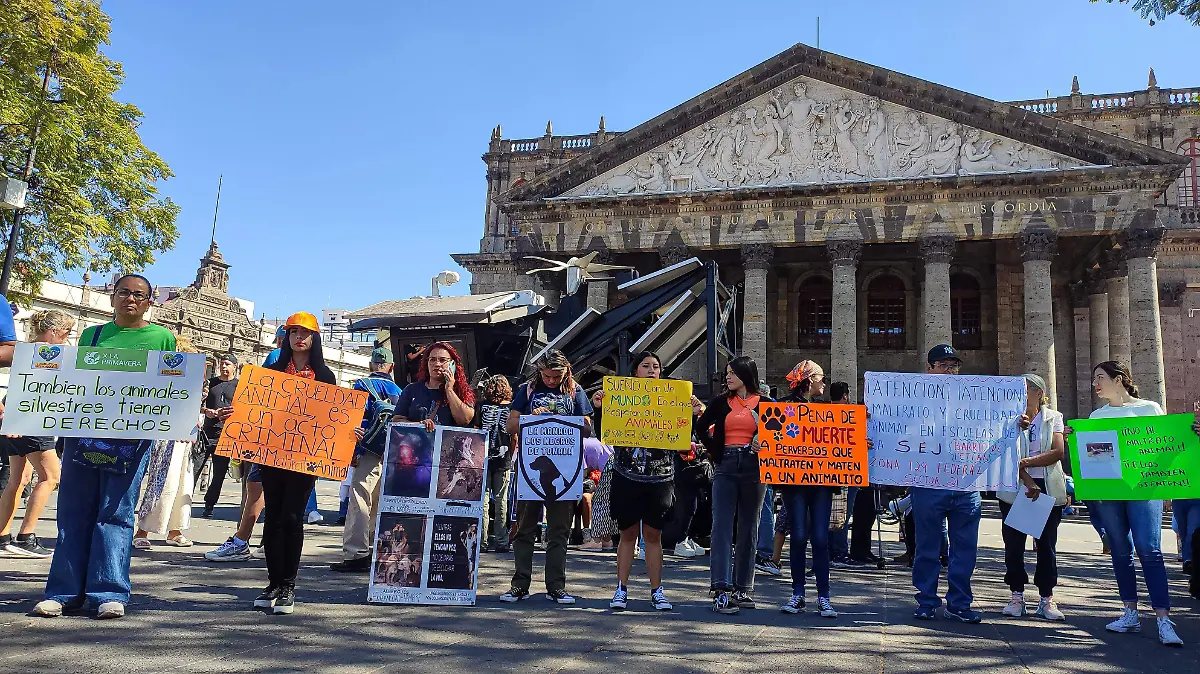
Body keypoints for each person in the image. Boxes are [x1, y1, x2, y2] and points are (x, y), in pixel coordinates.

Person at [32, 274, 177, 619]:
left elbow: (170, 387)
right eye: (124, 292)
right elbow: (76, 382)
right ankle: (63, 592)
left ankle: (109, 592)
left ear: (149, 302)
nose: (131, 299)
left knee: (115, 512)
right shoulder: (92, 335)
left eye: (139, 294)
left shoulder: (162, 338)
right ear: (113, 297)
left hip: (131, 439)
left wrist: (177, 419)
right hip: (84, 432)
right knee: (73, 511)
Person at [1074, 360, 1185, 646]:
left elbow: (1166, 446)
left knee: (1150, 549)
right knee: (1121, 550)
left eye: (1100, 377)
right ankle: (1130, 613)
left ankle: (1163, 619)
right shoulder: (1097, 416)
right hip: (1110, 492)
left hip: (1144, 488)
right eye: (1094, 379)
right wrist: (1077, 442)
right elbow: (1095, 456)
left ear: (1119, 379)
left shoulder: (1149, 409)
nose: (1095, 384)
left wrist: (1191, 433)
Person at [251, 312, 337, 615]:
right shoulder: (271, 373)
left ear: (315, 338)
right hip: (272, 455)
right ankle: (273, 583)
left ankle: (288, 584)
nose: (299, 337)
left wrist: (347, 433)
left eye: (305, 332)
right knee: (272, 517)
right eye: (293, 332)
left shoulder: (326, 377)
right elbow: (254, 409)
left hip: (305, 459)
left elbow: (333, 419)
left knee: (292, 517)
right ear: (286, 337)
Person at [501, 349, 593, 605]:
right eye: (547, 376)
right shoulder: (527, 390)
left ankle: (556, 586)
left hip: (565, 468)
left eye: (557, 376)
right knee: (525, 529)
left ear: (566, 372)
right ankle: (520, 585)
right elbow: (510, 425)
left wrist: (565, 420)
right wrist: (531, 419)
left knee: (559, 530)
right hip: (531, 469)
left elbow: (587, 428)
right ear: (539, 371)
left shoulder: (575, 391)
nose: (552, 381)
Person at [910, 344, 983, 623]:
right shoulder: (913, 399)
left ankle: (959, 603)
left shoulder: (972, 399)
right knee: (927, 547)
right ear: (929, 369)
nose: (950, 371)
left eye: (954, 366)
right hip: (928, 483)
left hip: (966, 484)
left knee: (965, 549)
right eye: (943, 366)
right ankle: (926, 600)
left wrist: (1015, 424)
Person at [695, 355, 770, 615]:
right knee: (722, 526)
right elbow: (701, 427)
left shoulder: (766, 403)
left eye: (732, 373)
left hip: (755, 465)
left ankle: (743, 588)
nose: (727, 377)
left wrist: (763, 440)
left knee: (749, 526)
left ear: (746, 374)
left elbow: (782, 431)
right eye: (726, 373)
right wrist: (715, 451)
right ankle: (720, 588)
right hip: (726, 464)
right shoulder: (720, 402)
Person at [0, 310, 74, 558]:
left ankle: (3, 536)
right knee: (51, 476)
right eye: (66, 332)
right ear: (54, 331)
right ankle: (26, 536)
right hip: (31, 415)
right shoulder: (48, 354)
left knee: (18, 479)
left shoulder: (24, 350)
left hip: (17, 413)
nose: (67, 338)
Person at [608, 352, 676, 612]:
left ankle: (657, 591)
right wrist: (602, 407)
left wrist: (693, 412)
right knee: (627, 534)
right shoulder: (622, 397)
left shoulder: (673, 398)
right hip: (627, 475)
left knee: (653, 535)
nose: (651, 370)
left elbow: (683, 434)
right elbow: (608, 432)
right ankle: (621, 589)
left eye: (655, 367)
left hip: (660, 478)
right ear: (635, 371)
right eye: (645, 366)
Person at [997, 374, 1067, 621]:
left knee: (1046, 545)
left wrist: (1025, 463)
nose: (1021, 394)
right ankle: (1016, 595)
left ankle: (1046, 597)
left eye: (1025, 390)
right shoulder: (1008, 419)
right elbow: (1004, 453)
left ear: (1039, 393)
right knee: (1014, 545)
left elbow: (1057, 452)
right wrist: (1025, 478)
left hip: (1046, 486)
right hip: (1015, 488)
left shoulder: (1053, 417)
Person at [203, 347, 279, 563]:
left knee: (279, 495)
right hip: (251, 438)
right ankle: (241, 540)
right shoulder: (275, 360)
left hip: (284, 443)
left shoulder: (318, 372)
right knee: (253, 485)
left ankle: (268, 543)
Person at [774, 360, 838, 617]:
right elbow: (772, 436)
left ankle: (824, 596)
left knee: (820, 539)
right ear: (810, 379)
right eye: (822, 377)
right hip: (794, 483)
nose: (824, 383)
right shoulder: (783, 407)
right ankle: (798, 593)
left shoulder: (827, 411)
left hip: (822, 483)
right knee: (799, 536)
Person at [331, 347, 402, 572]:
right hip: (390, 452)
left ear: (371, 364)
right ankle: (374, 548)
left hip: (367, 450)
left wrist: (352, 451)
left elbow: (355, 421)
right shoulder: (399, 390)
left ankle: (356, 553)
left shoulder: (362, 385)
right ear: (391, 366)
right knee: (378, 502)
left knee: (359, 499)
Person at [133, 337, 203, 549]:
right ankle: (142, 529)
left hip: (186, 437)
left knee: (184, 485)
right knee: (163, 482)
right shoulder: (162, 377)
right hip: (166, 436)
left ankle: (176, 530)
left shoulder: (192, 380)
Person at [477, 374, 515, 553]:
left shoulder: (481, 406)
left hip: (483, 459)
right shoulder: (512, 408)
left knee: (483, 502)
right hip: (503, 459)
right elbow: (514, 437)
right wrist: (511, 457)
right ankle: (501, 541)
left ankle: (482, 542)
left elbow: (477, 431)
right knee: (501, 502)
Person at [199, 353, 240, 518]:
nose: (224, 366)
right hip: (206, 433)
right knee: (194, 470)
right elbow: (197, 403)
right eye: (222, 363)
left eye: (227, 364)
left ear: (234, 367)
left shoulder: (239, 386)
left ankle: (209, 504)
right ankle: (183, 504)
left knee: (219, 474)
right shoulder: (210, 383)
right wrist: (206, 411)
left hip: (225, 436)